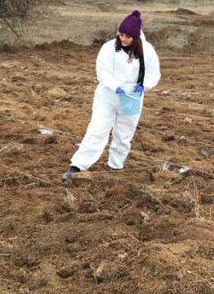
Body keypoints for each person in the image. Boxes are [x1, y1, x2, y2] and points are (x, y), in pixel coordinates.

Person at [64, 11, 161, 179]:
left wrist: (143, 86)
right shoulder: (109, 48)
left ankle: (116, 165)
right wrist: (116, 87)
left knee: (124, 134)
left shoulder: (148, 51)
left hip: (132, 98)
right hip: (108, 96)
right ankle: (78, 165)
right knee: (97, 130)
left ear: (136, 37)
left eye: (128, 36)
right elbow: (102, 71)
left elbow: (154, 74)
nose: (123, 39)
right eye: (121, 34)